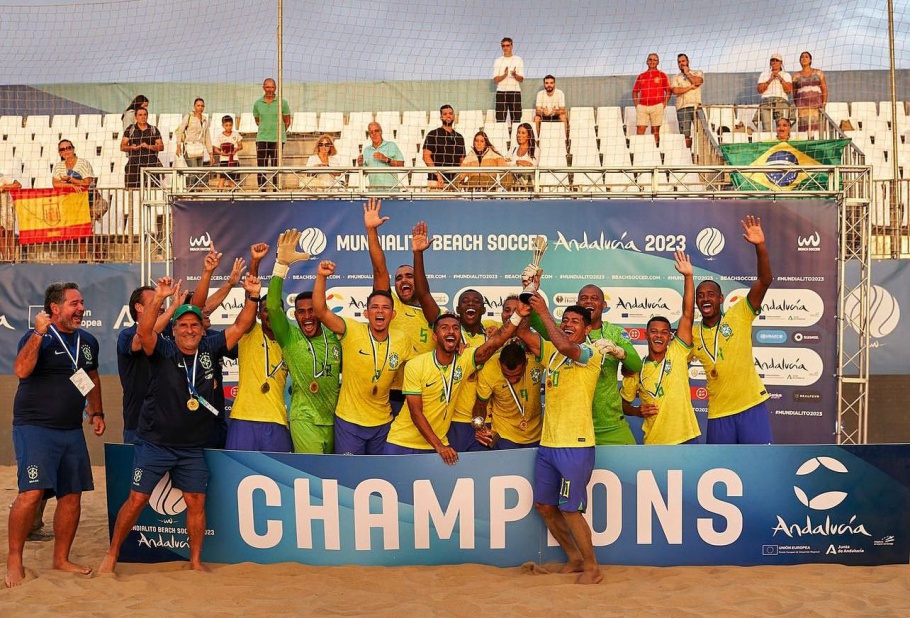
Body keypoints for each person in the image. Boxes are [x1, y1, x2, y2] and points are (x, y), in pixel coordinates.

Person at [99, 273, 260, 575]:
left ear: (202, 329)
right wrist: (159, 298)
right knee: (136, 500)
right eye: (183, 325)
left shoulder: (211, 348)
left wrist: (252, 296)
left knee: (196, 501)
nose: (189, 330)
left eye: (194, 325)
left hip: (191, 448)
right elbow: (145, 332)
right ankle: (112, 554)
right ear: (174, 329)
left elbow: (240, 326)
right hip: (155, 443)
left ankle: (195, 561)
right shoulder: (162, 349)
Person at [6, 282, 106, 587]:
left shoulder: (87, 341)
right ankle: (14, 560)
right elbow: (21, 370)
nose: (80, 309)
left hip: (71, 429)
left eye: (81, 303)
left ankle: (61, 559)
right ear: (55, 308)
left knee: (71, 495)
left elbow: (90, 376)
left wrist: (97, 411)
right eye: (74, 304)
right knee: (31, 492)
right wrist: (37, 334)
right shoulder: (39, 336)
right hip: (35, 427)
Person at [517, 297, 603, 585]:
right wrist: (526, 309)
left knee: (569, 508)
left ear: (587, 329)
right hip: (548, 447)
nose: (567, 324)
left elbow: (566, 346)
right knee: (544, 505)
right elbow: (523, 334)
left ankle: (592, 566)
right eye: (564, 320)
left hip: (575, 446)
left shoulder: (591, 354)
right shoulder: (551, 354)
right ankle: (574, 557)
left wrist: (544, 313)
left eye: (574, 322)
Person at [385, 309, 519, 462]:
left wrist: (519, 314)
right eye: (444, 328)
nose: (451, 331)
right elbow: (416, 413)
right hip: (402, 442)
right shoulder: (416, 365)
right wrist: (440, 447)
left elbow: (495, 342)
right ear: (435, 337)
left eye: (455, 328)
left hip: (436, 446)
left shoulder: (464, 359)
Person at [410, 220, 499, 451]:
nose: (470, 304)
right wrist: (418, 254)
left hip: (484, 421)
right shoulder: (447, 328)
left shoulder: (492, 335)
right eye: (465, 302)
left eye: (476, 302)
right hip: (452, 422)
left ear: (483, 310)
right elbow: (423, 293)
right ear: (457, 310)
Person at [312, 262, 415, 455]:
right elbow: (320, 312)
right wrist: (321, 277)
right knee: (350, 476)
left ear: (392, 315)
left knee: (379, 476)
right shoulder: (351, 330)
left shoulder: (402, 340)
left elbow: (420, 368)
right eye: (374, 307)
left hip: (382, 422)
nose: (379, 311)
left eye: (385, 308)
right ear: (366, 313)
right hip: (349, 421)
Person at [691, 215, 773, 444]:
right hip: (718, 414)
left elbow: (765, 280)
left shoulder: (740, 313)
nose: (705, 299)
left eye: (710, 295)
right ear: (696, 302)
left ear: (720, 299)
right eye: (700, 296)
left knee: (759, 464)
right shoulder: (693, 334)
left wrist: (760, 246)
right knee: (721, 470)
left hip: (751, 406)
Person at [530, 283, 642, 445]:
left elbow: (636, 365)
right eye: (584, 298)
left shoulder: (615, 332)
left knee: (631, 466)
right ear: (577, 304)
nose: (589, 301)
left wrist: (618, 351)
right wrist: (530, 288)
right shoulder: (563, 332)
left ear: (604, 305)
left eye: (594, 298)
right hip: (574, 427)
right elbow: (533, 318)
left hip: (609, 424)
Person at [268, 229, 341, 453]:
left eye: (312, 311)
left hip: (336, 420)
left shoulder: (335, 335)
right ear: (295, 315)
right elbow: (272, 307)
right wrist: (281, 266)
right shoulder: (289, 336)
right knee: (315, 477)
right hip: (304, 419)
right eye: (301, 312)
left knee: (332, 479)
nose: (307, 316)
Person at [621, 251, 700, 445]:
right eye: (654, 331)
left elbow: (688, 314)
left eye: (664, 332)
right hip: (655, 442)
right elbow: (623, 404)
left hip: (687, 437)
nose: (659, 335)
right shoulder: (636, 368)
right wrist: (637, 411)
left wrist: (688, 277)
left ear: (670, 336)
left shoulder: (677, 351)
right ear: (646, 335)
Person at [364, 198, 435, 413]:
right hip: (392, 392)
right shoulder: (389, 304)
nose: (404, 280)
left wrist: (418, 254)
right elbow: (379, 270)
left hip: (426, 391)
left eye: (409, 276)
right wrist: (371, 231)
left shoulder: (432, 312)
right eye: (399, 278)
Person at [225, 243, 293, 452]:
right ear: (258, 314)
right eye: (265, 310)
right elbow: (250, 298)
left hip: (276, 420)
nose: (271, 314)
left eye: (276, 310)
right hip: (243, 419)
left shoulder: (290, 341)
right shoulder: (250, 332)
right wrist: (255, 262)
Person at [117, 284, 183, 444]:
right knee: (137, 469)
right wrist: (172, 308)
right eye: (155, 301)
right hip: (139, 422)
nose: (161, 305)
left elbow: (202, 311)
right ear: (138, 307)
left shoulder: (170, 330)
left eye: (161, 301)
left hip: (172, 420)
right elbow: (145, 334)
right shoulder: (126, 336)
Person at [474, 339, 544, 450]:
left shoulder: (537, 363)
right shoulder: (489, 369)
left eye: (517, 375)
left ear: (526, 363)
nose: (512, 380)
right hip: (504, 435)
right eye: (506, 375)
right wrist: (479, 426)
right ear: (499, 363)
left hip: (536, 434)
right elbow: (480, 405)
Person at [51, 139, 96, 262]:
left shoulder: (83, 163)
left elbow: (87, 182)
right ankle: (91, 254)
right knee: (78, 230)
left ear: (73, 149)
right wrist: (72, 186)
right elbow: (55, 183)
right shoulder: (59, 166)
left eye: (68, 148)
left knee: (84, 228)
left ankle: (86, 257)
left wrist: (71, 180)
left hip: (86, 200)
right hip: (68, 202)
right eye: (62, 149)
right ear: (59, 153)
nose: (66, 151)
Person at [253, 77, 291, 190]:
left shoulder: (282, 103)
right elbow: (257, 120)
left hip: (277, 140)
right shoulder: (257, 103)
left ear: (276, 88)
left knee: (276, 167)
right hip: (262, 139)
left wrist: (277, 132)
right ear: (263, 87)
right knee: (261, 167)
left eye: (272, 87)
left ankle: (276, 189)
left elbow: (287, 121)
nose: (270, 89)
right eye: (268, 87)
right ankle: (262, 190)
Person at [422, 105, 465, 190]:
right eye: (445, 114)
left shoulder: (459, 137)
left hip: (454, 183)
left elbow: (462, 160)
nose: (448, 116)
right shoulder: (433, 134)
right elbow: (426, 156)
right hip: (436, 182)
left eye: (450, 113)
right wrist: (437, 174)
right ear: (441, 117)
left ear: (454, 116)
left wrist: (461, 176)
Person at [632, 53, 671, 145]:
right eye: (650, 59)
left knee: (655, 130)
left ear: (658, 62)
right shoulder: (641, 76)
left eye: (654, 60)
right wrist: (637, 105)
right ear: (647, 62)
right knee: (640, 129)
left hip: (657, 106)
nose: (652, 61)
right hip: (643, 106)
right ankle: (639, 150)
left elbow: (668, 91)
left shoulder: (662, 75)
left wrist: (664, 103)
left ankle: (656, 151)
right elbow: (635, 91)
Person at [120, 107, 163, 189]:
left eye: (145, 115)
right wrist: (131, 147)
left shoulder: (153, 130)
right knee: (132, 190)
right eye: (140, 115)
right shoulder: (130, 129)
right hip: (134, 162)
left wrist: (148, 146)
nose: (143, 117)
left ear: (147, 116)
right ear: (136, 117)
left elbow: (161, 146)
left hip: (151, 163)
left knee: (153, 190)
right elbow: (122, 146)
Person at [670, 54, 704, 148]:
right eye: (679, 62)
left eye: (683, 61)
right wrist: (690, 87)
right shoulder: (675, 77)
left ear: (688, 61)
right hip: (682, 107)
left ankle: (702, 156)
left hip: (696, 106)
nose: (681, 63)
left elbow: (697, 82)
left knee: (702, 131)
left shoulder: (697, 72)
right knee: (685, 134)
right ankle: (687, 155)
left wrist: (688, 73)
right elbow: (675, 91)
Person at [358, 122, 404, 190]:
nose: (374, 134)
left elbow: (401, 165)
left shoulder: (391, 145)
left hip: (391, 192)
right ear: (369, 135)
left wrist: (386, 159)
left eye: (376, 131)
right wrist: (360, 165)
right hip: (374, 193)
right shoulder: (366, 150)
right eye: (371, 132)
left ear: (381, 132)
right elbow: (364, 173)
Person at [792, 51, 827, 134]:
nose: (804, 58)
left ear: (810, 60)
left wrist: (824, 102)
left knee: (816, 129)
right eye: (802, 57)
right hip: (802, 108)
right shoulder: (796, 75)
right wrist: (798, 104)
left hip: (816, 106)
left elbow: (824, 88)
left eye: (806, 57)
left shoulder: (819, 73)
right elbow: (794, 92)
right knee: (804, 129)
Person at [757, 53, 793, 132]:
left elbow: (788, 90)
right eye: (772, 60)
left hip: (781, 101)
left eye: (777, 60)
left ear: (781, 63)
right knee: (766, 129)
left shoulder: (786, 75)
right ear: (770, 62)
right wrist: (770, 80)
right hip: (766, 102)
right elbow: (759, 90)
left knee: (782, 128)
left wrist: (781, 79)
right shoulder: (764, 74)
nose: (774, 62)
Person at [492, 37, 524, 124]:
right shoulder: (498, 61)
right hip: (501, 92)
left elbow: (521, 79)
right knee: (500, 119)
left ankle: (515, 137)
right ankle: (501, 137)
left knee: (516, 119)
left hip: (515, 92)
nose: (505, 48)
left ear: (512, 46)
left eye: (507, 45)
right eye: (503, 46)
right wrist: (504, 75)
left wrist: (514, 75)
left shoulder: (518, 60)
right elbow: (495, 79)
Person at [174, 97, 213, 169]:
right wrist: (178, 146)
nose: (200, 108)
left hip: (200, 148)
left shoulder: (205, 120)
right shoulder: (189, 117)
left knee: (200, 172)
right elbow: (180, 131)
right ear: (194, 106)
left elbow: (207, 137)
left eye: (202, 106)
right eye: (198, 105)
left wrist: (210, 153)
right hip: (190, 147)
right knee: (193, 171)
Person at [213, 114, 243, 189]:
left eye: (230, 125)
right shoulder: (220, 136)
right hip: (224, 160)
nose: (228, 127)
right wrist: (221, 153)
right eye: (226, 125)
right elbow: (215, 149)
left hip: (233, 160)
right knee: (222, 179)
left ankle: (233, 197)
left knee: (232, 180)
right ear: (223, 125)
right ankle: (219, 197)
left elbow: (240, 146)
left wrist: (235, 150)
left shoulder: (236, 134)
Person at [0, 167, 22, 261]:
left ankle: (12, 257)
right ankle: (4, 257)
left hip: (7, 209)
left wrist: (4, 187)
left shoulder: (3, 178)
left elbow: (18, 185)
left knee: (9, 233)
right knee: (0, 233)